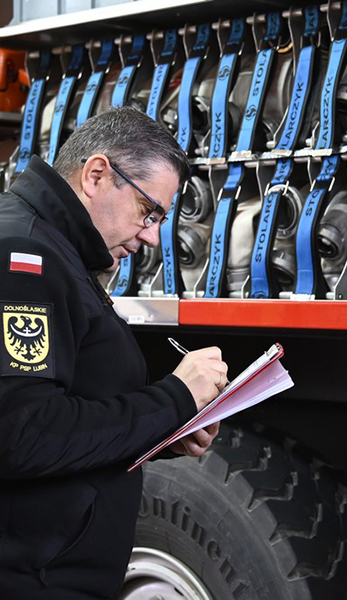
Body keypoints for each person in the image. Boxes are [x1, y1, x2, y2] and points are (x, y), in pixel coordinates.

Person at [0, 106, 228, 599]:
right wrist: (174, 397)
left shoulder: (58, 251)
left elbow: (73, 401)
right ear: (97, 174)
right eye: (149, 212)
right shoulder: (26, 257)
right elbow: (22, 434)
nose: (150, 236)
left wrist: (163, 428)